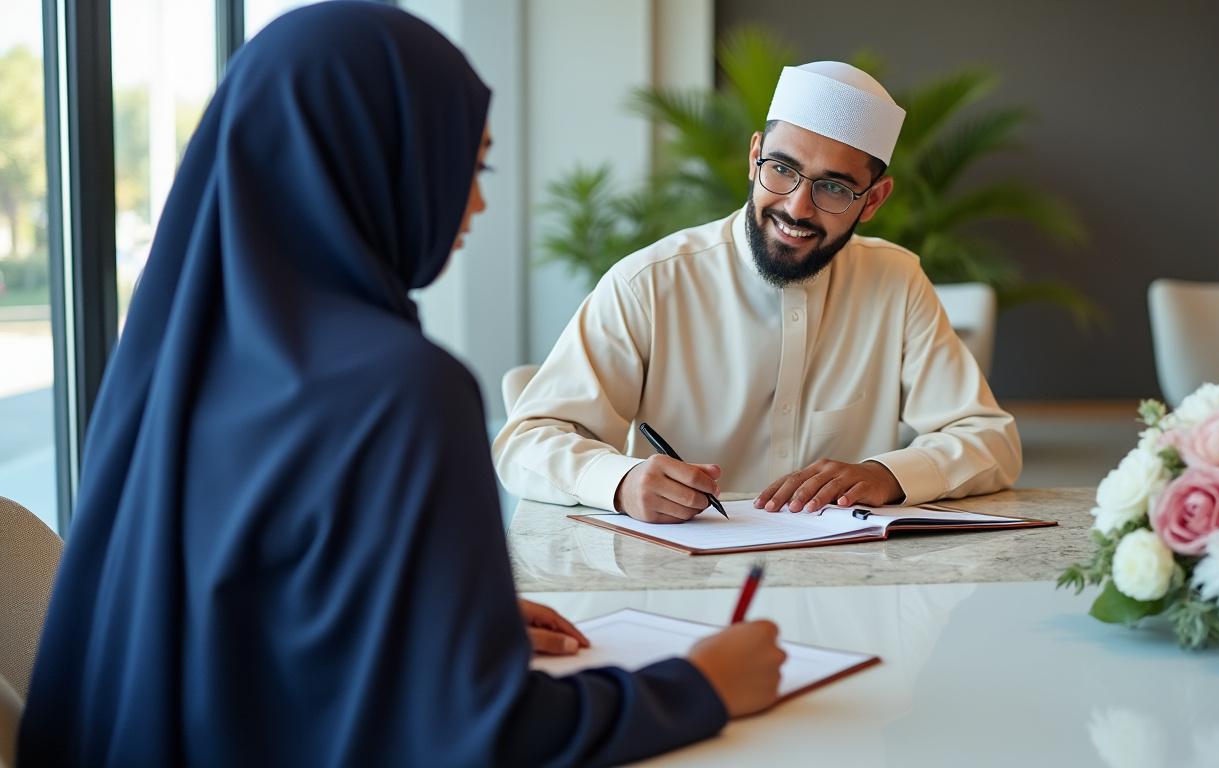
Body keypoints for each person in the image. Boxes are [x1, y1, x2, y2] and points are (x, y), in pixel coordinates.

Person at [19, 4, 784, 765]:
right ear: (378, 161)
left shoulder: (163, 371)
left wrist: (426, 624)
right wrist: (700, 687)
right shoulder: (403, 393)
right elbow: (484, 738)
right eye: (469, 167)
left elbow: (229, 607)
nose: (476, 203)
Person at [494, 61, 1023, 524]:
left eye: (834, 187)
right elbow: (526, 442)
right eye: (783, 170)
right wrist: (622, 482)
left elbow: (991, 440)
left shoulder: (897, 281)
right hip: (682, 578)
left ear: (873, 200)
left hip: (845, 578)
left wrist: (886, 475)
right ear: (755, 157)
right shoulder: (650, 283)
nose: (797, 207)